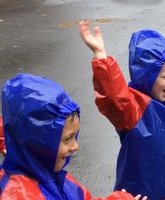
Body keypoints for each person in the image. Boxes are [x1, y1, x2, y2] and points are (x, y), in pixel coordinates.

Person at [80, 20, 165, 200]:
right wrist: (100, 55)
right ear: (147, 75)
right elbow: (113, 95)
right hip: (140, 196)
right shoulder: (134, 107)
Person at [0, 73, 138, 199]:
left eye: (74, 136)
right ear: (36, 142)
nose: (75, 146)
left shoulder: (51, 176)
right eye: (67, 139)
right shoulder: (19, 195)